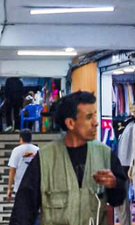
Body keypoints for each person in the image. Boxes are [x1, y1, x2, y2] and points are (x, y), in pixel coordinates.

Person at [9, 91, 128, 225]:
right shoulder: (45, 159)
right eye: (89, 117)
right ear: (70, 123)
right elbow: (23, 211)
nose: (96, 123)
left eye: (95, 116)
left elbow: (118, 199)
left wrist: (114, 185)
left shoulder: (105, 155)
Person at [7, 130, 39, 202]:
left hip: (20, 186)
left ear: (21, 138)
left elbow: (12, 170)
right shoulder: (37, 150)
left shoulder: (16, 150)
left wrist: (9, 188)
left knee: (21, 207)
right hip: (34, 186)